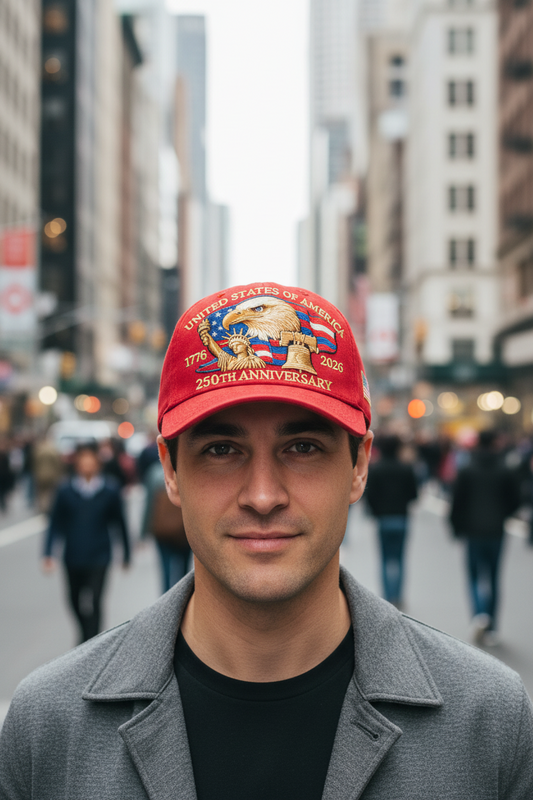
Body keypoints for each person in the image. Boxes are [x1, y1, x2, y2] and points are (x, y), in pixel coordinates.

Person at [1, 282, 532, 799]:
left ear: (359, 467)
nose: (262, 496)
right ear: (171, 471)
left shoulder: (492, 725)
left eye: (303, 447)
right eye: (221, 450)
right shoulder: (45, 730)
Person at [41, 442, 131, 643]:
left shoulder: (110, 490)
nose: (87, 465)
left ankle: (93, 642)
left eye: (91, 461)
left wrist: (126, 553)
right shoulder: (65, 490)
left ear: (98, 463)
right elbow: (55, 524)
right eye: (83, 461)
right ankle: (84, 635)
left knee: (96, 600)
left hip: (100, 555)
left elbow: (120, 523)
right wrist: (48, 553)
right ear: (77, 464)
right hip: (73, 555)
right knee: (73, 599)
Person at [450, 428, 521, 646]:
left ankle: (479, 614)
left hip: (473, 530)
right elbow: (515, 500)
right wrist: (502, 515)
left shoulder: (467, 469)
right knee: (493, 577)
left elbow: (457, 501)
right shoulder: (505, 469)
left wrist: (456, 526)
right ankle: (491, 625)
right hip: (496, 530)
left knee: (473, 576)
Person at [365, 434, 418, 607]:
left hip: (383, 519)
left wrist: (375, 511)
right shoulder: (406, 468)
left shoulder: (376, 469)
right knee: (400, 558)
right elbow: (414, 494)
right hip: (401, 517)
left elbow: (370, 495)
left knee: (385, 559)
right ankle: (398, 596)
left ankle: (387, 597)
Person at [141, 459, 191, 593]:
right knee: (184, 571)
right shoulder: (188, 469)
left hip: (162, 531)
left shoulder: (155, 473)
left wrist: (143, 532)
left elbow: (149, 505)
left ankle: (167, 599)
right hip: (184, 530)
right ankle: (183, 599)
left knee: (165, 569)